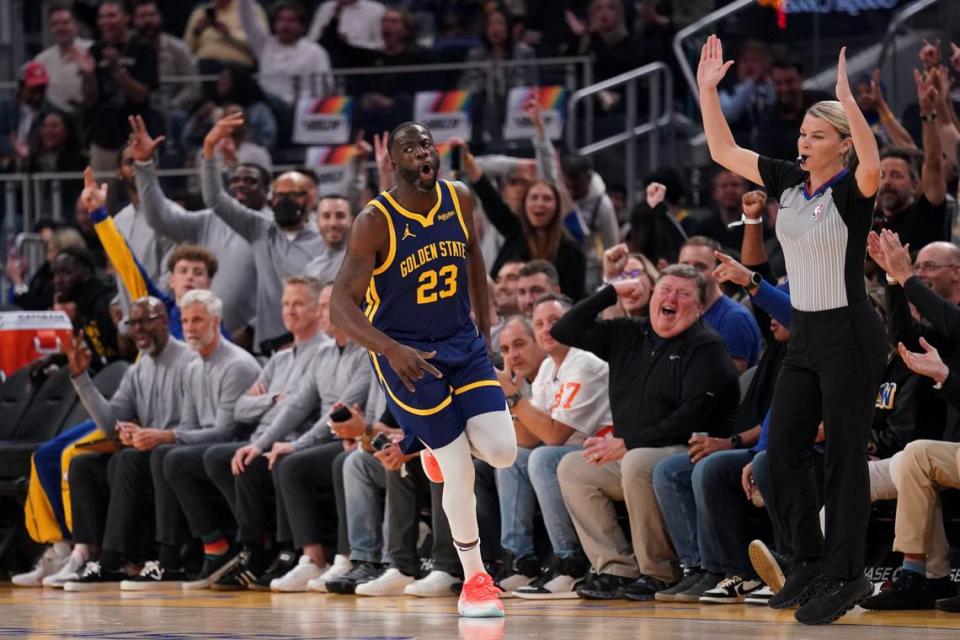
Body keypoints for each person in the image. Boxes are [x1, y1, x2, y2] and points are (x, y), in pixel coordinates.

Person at [698, 35, 886, 624]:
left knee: (844, 458)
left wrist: (847, 101)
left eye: (818, 134)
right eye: (803, 133)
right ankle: (807, 557)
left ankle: (845, 573)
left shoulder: (854, 191)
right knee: (779, 453)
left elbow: (876, 163)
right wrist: (708, 92)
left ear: (843, 145)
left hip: (852, 333)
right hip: (805, 335)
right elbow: (724, 149)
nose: (804, 141)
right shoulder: (785, 181)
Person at [330, 121, 518, 618]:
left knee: (501, 452)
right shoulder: (374, 220)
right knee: (457, 466)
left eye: (427, 145)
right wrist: (390, 350)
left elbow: (476, 260)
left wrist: (487, 332)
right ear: (394, 161)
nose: (423, 153)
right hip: (407, 354)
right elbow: (339, 308)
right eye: (410, 148)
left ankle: (422, 444)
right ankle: (475, 580)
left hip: (462, 341)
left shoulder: (459, 198)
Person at [552, 265, 740, 601]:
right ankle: (615, 568)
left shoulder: (706, 347)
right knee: (573, 468)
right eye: (665, 289)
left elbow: (690, 418)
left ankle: (659, 572)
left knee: (637, 462)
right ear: (652, 296)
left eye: (684, 295)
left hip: (689, 452)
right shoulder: (628, 332)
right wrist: (612, 291)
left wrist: (627, 444)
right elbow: (565, 329)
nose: (672, 299)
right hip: (632, 452)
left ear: (698, 309)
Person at [57, 298, 196, 591]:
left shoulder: (190, 362)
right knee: (82, 465)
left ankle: (111, 560)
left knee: (126, 460)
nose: (138, 329)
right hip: (147, 453)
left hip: (177, 451)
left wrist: (155, 434)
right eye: (132, 323)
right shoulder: (139, 368)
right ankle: (88, 554)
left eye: (146, 320)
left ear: (164, 321)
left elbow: (197, 424)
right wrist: (82, 379)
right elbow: (111, 423)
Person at [496, 295, 611, 599]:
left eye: (554, 321)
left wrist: (514, 396)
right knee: (513, 458)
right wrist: (513, 398)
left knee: (543, 459)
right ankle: (520, 562)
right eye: (539, 323)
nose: (546, 329)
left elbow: (553, 436)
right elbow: (528, 437)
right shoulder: (548, 368)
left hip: (605, 452)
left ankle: (569, 562)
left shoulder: (584, 363)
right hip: (572, 454)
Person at [200, 112, 329, 353]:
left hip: (314, 346)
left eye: (293, 195)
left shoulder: (324, 240)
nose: (285, 201)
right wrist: (209, 149)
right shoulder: (260, 229)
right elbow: (216, 200)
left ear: (309, 199)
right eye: (280, 195)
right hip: (266, 350)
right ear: (271, 198)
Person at [129, 114, 261, 339]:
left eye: (251, 182)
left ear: (267, 192)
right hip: (192, 337)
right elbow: (158, 217)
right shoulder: (208, 221)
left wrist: (252, 329)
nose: (241, 186)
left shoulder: (269, 229)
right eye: (236, 181)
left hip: (251, 344)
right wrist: (143, 166)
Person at [81, 0, 159, 172]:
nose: (105, 22)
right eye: (101, 17)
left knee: (141, 194)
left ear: (126, 18)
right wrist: (87, 76)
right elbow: (90, 99)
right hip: (103, 136)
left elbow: (141, 95)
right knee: (103, 195)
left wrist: (117, 70)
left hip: (137, 136)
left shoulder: (143, 49)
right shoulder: (95, 50)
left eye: (111, 16)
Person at [678, 237, 763, 373]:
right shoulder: (680, 312)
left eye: (700, 266)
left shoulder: (735, 319)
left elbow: (727, 382)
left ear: (718, 271)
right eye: (684, 265)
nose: (690, 272)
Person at [237, 0, 332, 106]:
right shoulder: (265, 46)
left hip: (303, 108)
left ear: (302, 26)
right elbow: (247, 19)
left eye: (291, 21)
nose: (285, 25)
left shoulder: (315, 52)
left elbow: (324, 86)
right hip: (270, 107)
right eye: (281, 20)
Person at [33, 4, 93, 114]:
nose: (60, 28)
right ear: (51, 28)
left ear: (76, 26)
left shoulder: (91, 50)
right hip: (56, 122)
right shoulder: (41, 60)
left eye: (65, 23)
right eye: (55, 24)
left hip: (89, 117)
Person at [183, 0, 267, 72]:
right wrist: (196, 33)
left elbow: (262, 45)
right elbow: (184, 50)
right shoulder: (200, 12)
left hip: (237, 67)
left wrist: (229, 35)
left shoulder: (251, 9)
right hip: (202, 65)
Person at [0, 61, 53, 171]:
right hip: (6, 164)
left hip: (35, 166)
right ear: (21, 86)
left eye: (42, 89)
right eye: (34, 89)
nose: (38, 95)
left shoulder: (48, 111)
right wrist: (12, 147)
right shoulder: (4, 107)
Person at [304, 194, 352, 283]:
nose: (333, 223)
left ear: (351, 220)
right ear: (317, 222)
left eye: (340, 216)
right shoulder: (311, 269)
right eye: (326, 216)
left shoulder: (365, 264)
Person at [307, 0, 386, 50]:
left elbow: (382, 45)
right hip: (331, 61)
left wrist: (349, 44)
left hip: (362, 61)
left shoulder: (376, 10)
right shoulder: (325, 8)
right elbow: (311, 41)